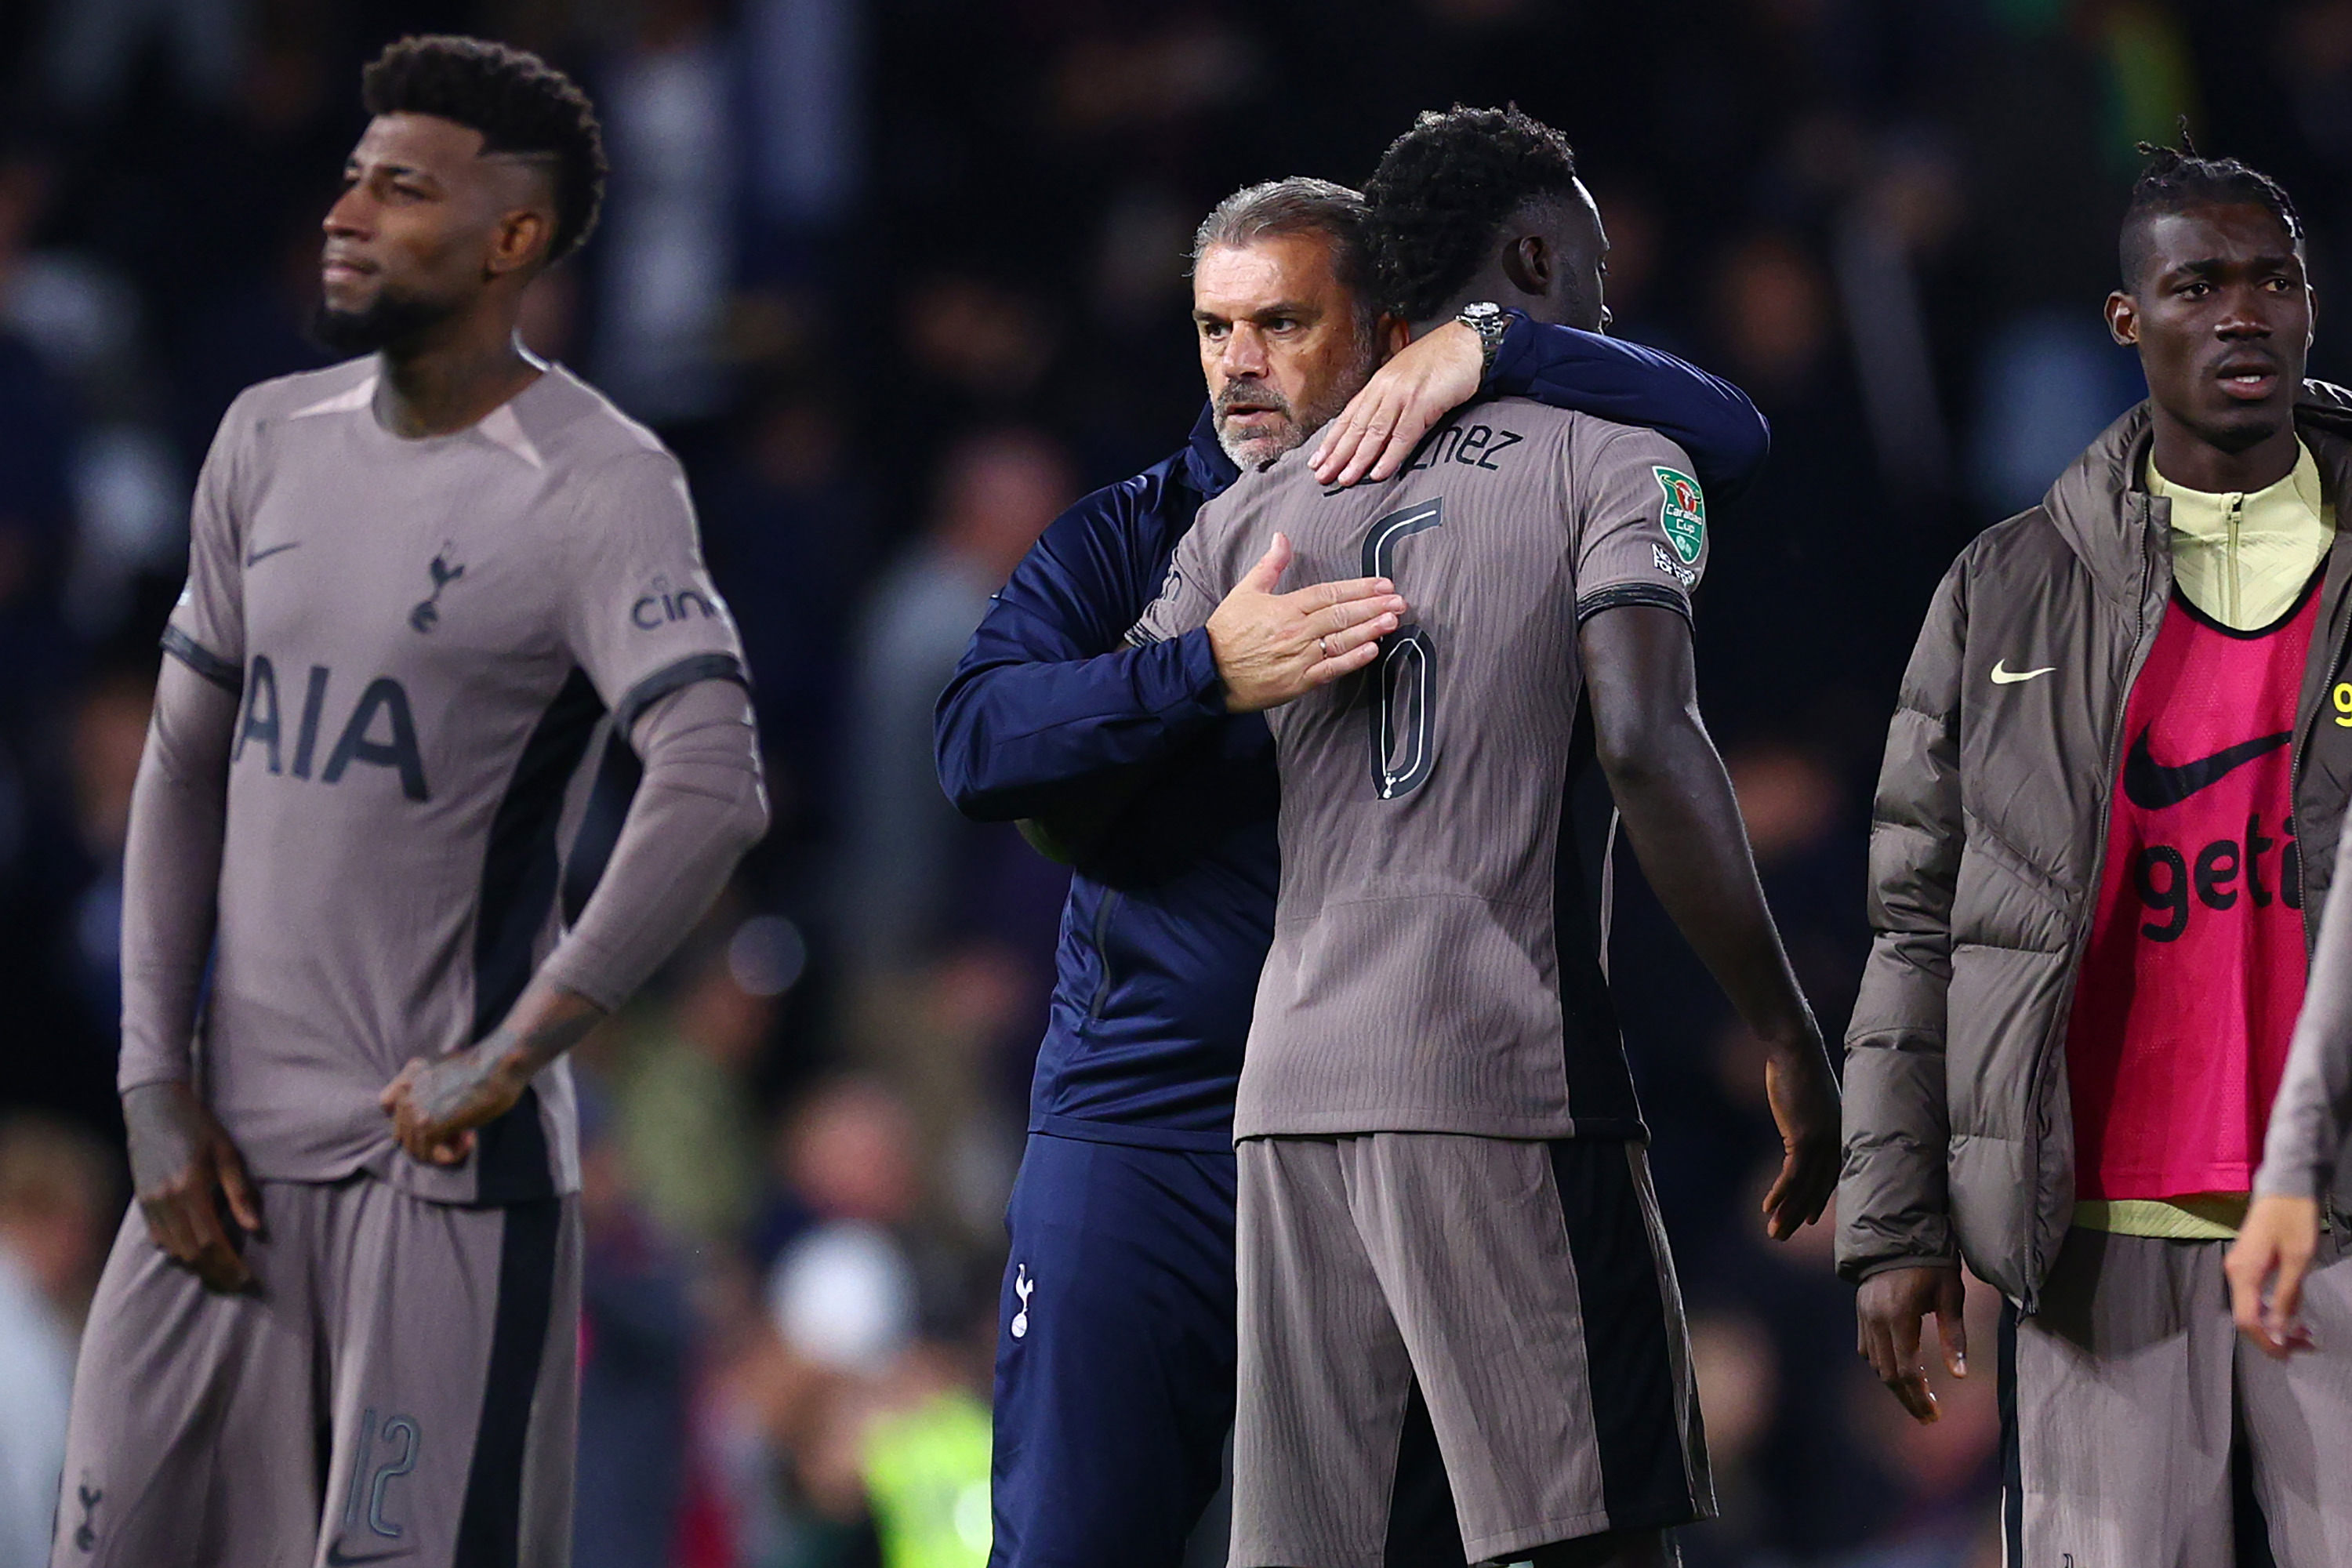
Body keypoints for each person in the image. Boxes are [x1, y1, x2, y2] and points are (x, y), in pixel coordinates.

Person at [935, 154, 1778, 1566]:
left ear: (1388, 332)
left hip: (1391, 1104)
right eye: (1216, 329)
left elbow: (1734, 436)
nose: (1240, 366)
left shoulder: (1495, 472)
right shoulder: (1143, 533)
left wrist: (1495, 341)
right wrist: (1203, 671)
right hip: (1150, 1120)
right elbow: (976, 743)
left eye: (1283, 324)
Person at [54, 36, 768, 1568]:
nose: (349, 211)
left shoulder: (601, 480)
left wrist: (516, 1051)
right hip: (217, 1173)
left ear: (513, 239)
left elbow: (712, 784)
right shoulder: (263, 436)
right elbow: (184, 763)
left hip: (433, 1190)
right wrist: (146, 1081)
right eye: (353, 174)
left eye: (403, 186)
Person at [1841, 140, 2352, 1564]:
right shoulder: (2004, 590)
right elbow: (1919, 924)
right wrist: (1893, 1227)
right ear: (2129, 320)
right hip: (2100, 1233)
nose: (2242, 314)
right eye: (2199, 285)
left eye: (2273, 282)